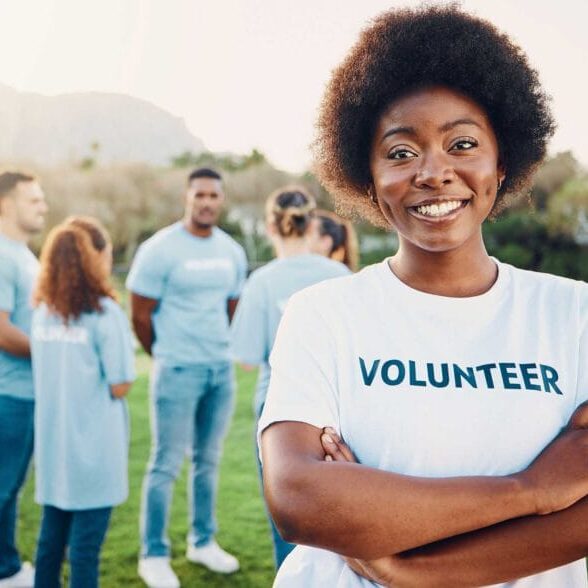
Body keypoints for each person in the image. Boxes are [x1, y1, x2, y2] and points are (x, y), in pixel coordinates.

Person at [259, 6, 588, 587]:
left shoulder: (575, 314)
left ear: (501, 160)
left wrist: (417, 571)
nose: (434, 172)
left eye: (462, 144)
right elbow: (298, 497)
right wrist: (532, 490)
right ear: (368, 174)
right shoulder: (323, 315)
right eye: (402, 152)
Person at [127, 167, 246, 588]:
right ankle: (153, 553)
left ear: (221, 199)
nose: (207, 202)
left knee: (208, 461)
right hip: (176, 369)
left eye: (214, 195)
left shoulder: (231, 250)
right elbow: (140, 314)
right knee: (165, 462)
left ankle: (203, 542)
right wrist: (163, 353)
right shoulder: (159, 249)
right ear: (187, 197)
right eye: (200, 195)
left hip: (220, 370)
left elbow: (233, 307)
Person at [230, 187, 350, 569]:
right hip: (338, 410)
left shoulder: (262, 282)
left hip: (279, 413)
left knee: (290, 522)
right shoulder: (339, 275)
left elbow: (247, 357)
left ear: (270, 227)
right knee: (339, 520)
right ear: (312, 222)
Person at [31, 216, 135, 588]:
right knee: (85, 550)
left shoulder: (41, 312)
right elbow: (121, 382)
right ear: (95, 259)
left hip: (53, 448)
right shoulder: (104, 314)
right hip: (93, 449)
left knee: (49, 544)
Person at [0, 172, 48, 588]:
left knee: (10, 488)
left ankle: (8, 566)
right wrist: (58, 356)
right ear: (5, 204)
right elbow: (2, 331)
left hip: (26, 393)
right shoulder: (1, 255)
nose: (43, 206)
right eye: (33, 200)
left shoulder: (22, 254)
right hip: (7, 395)